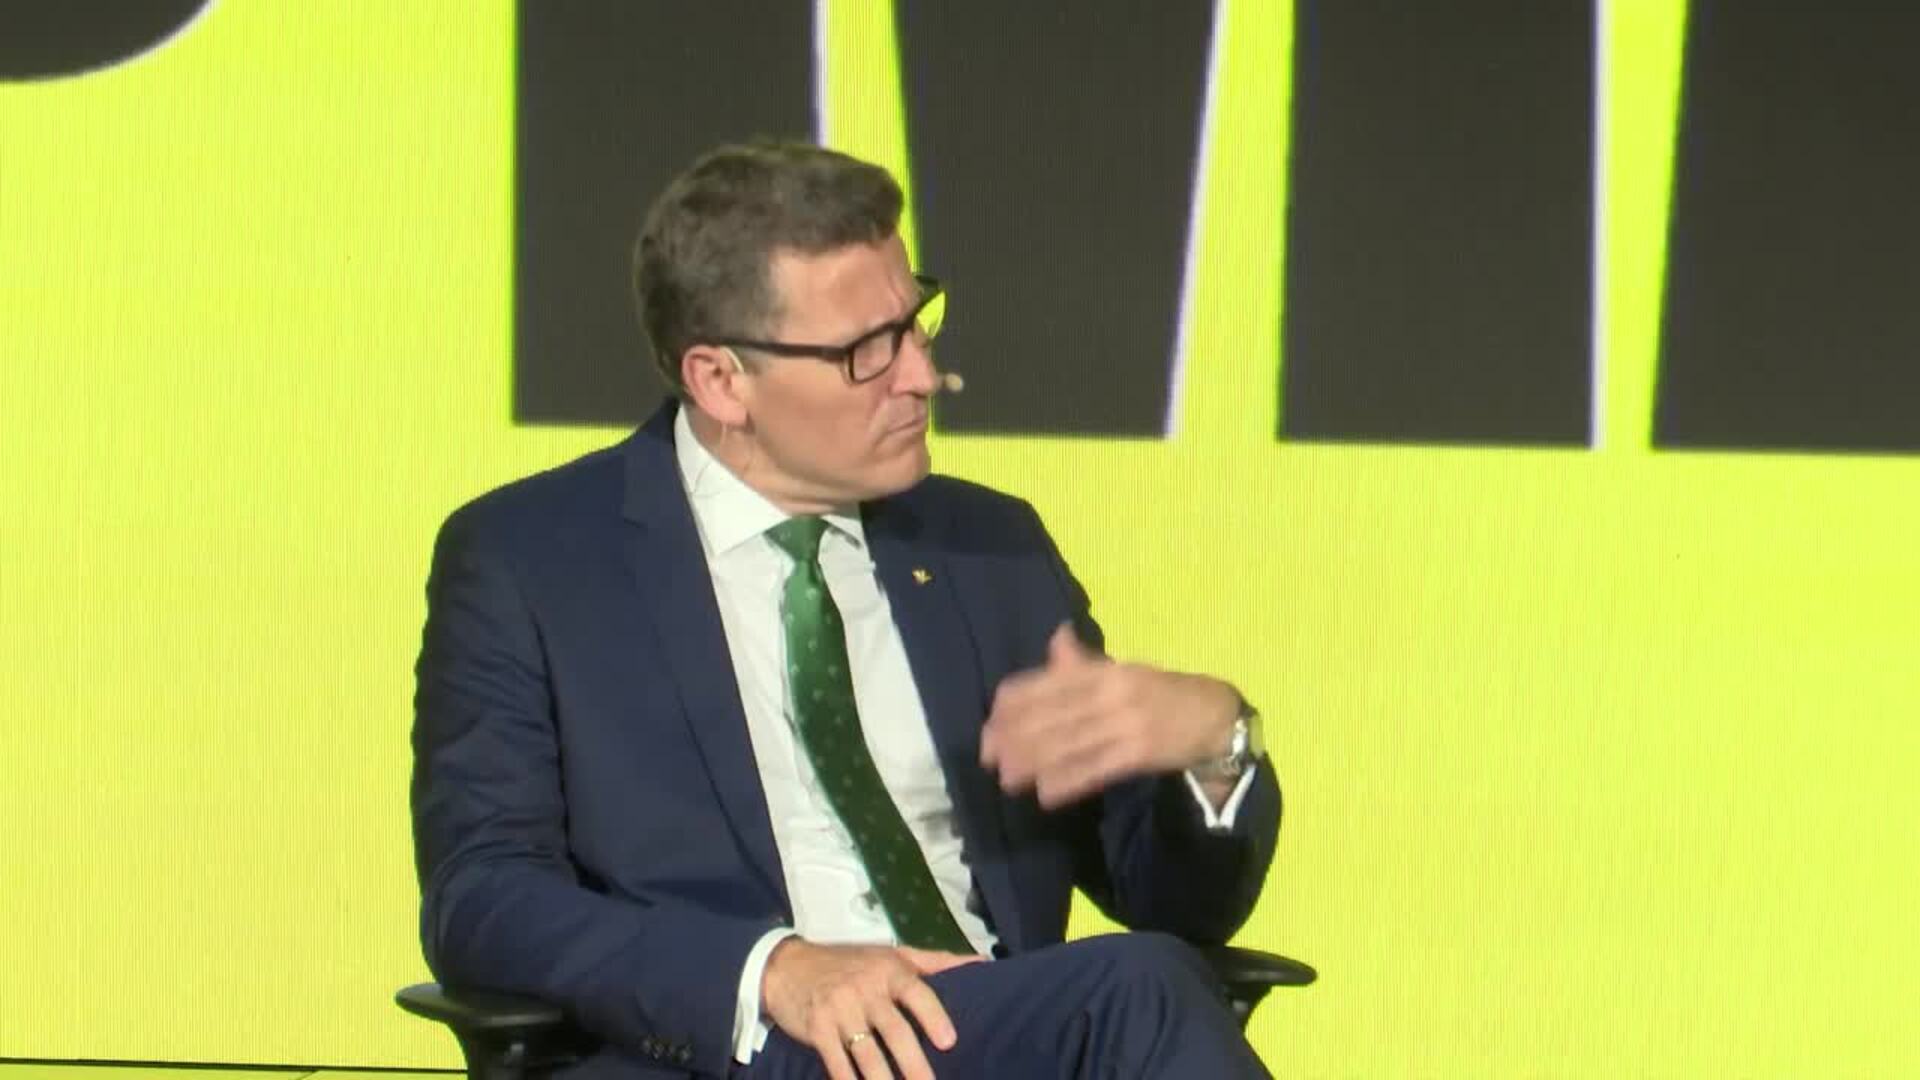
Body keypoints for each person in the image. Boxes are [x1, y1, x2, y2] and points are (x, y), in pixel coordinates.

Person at [412, 141, 1280, 1079]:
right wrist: (768, 971)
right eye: (867, 351)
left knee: (1150, 986)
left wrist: (1214, 748)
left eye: (915, 324)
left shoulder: (989, 552)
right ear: (720, 381)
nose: (921, 376)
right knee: (1140, 991)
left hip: (988, 1033)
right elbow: (483, 898)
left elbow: (1177, 910)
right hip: (739, 1050)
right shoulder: (533, 560)